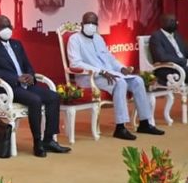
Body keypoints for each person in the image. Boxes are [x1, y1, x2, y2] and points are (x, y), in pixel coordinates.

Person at [0, 15, 71, 157]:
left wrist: (30, 75)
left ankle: (49, 140)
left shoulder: (17, 44)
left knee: (53, 97)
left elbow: (27, 65)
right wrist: (16, 78)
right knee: (35, 100)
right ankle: (37, 142)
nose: (7, 29)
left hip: (24, 85)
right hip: (5, 88)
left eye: (8, 26)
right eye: (3, 27)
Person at [67, 12, 164, 140]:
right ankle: (120, 127)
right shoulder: (74, 39)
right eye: (88, 22)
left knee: (138, 81)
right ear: (82, 24)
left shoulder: (98, 38)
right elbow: (75, 63)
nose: (91, 25)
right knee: (120, 83)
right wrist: (100, 71)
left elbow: (110, 58)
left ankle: (145, 123)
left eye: (94, 23)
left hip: (110, 74)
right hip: (90, 77)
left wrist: (121, 68)